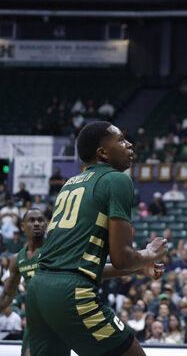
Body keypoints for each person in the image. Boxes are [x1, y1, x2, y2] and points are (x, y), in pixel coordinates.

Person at [26, 121, 169, 356]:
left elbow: (75, 264)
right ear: (102, 153)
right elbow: (122, 258)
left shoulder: (69, 184)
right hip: (71, 294)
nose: (129, 144)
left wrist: (137, 268)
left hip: (38, 290)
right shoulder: (117, 180)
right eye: (121, 140)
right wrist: (149, 253)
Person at [0, 208, 47, 356]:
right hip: (33, 323)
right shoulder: (17, 259)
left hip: (55, 322)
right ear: (22, 226)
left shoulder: (55, 250)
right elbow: (7, 295)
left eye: (40, 220)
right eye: (32, 220)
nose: (37, 223)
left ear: (46, 224)